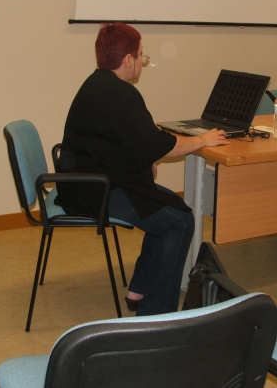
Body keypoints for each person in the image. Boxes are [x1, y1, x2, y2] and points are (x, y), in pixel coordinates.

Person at [56, 23, 229, 315]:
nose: (142, 62)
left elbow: (129, 140)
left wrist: (149, 154)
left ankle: (140, 288)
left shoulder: (98, 84)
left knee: (171, 209)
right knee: (178, 221)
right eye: (141, 55)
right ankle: (156, 312)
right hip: (96, 191)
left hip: (87, 183)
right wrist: (202, 140)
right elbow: (160, 145)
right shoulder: (121, 94)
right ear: (128, 60)